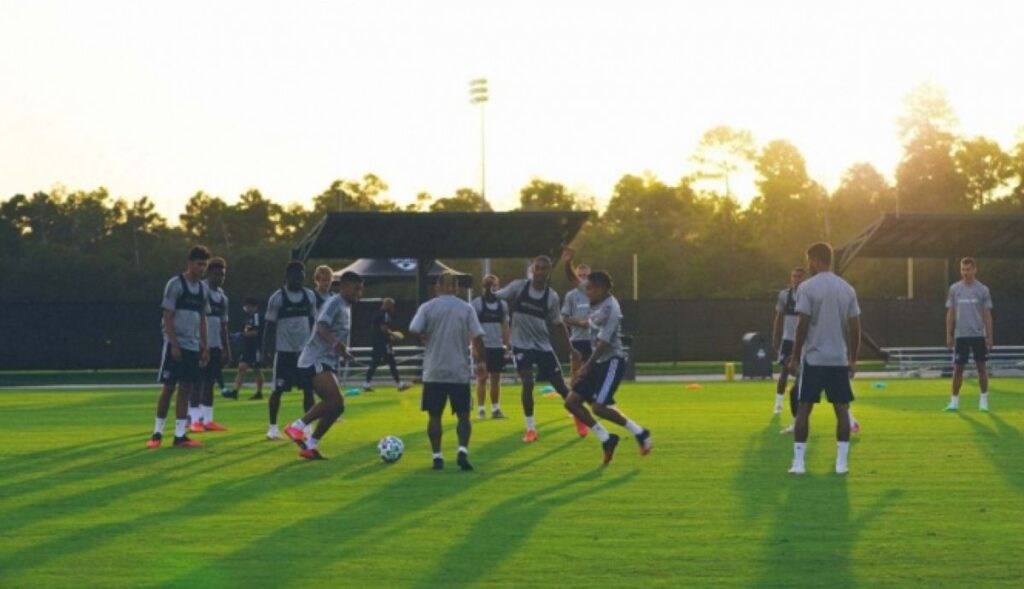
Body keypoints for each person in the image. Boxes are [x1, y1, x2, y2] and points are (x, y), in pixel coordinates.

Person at [786, 242, 861, 475]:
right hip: (838, 359)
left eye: (809, 260)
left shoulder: (807, 288)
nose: (808, 264)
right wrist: (853, 360)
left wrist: (794, 357)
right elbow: (856, 328)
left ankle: (799, 463)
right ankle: (842, 464)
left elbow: (802, 324)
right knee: (841, 410)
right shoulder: (847, 288)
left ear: (816, 260)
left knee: (804, 409)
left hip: (814, 360)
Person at [493, 255, 585, 442]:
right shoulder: (519, 287)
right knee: (528, 382)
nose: (540, 272)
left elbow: (558, 324)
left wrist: (570, 349)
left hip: (542, 345)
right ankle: (531, 429)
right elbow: (497, 296)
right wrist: (488, 292)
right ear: (533, 270)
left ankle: (579, 416)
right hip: (520, 344)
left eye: (544, 269)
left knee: (560, 386)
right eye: (538, 268)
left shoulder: (551, 296)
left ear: (549, 272)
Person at [564, 271, 652, 465]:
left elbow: (604, 342)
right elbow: (575, 281)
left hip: (611, 361)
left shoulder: (611, 308)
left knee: (599, 408)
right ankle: (607, 438)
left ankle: (640, 432)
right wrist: (568, 264)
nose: (586, 292)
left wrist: (586, 366)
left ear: (601, 289)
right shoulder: (595, 299)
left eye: (590, 288)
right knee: (571, 402)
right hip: (597, 361)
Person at [409, 272, 486, 471]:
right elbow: (477, 336)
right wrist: (481, 361)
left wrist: (425, 338)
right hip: (458, 370)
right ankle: (462, 451)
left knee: (434, 416)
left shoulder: (428, 307)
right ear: (457, 287)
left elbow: (414, 328)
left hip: (434, 370)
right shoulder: (466, 308)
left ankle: (437, 456)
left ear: (437, 287)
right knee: (463, 416)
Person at [284, 271, 364, 460]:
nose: (359, 293)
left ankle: (311, 445)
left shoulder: (346, 306)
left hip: (327, 361)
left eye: (361, 290)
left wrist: (344, 353)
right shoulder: (335, 302)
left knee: (337, 407)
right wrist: (336, 344)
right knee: (334, 401)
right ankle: (296, 427)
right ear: (344, 286)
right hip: (314, 359)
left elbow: (336, 337)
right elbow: (321, 327)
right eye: (356, 289)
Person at [148, 245, 211, 449]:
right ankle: (157, 433)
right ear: (190, 263)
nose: (202, 269)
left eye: (205, 265)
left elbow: (202, 319)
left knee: (186, 389)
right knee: (168, 388)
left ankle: (180, 435)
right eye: (199, 264)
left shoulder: (203, 289)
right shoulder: (175, 284)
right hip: (176, 345)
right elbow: (167, 316)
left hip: (193, 346)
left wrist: (205, 345)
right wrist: (173, 344)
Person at [264, 261, 318, 441]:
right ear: (288, 277)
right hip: (284, 352)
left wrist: (315, 346)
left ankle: (307, 427)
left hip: (304, 353)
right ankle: (272, 427)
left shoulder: (309, 296)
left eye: (302, 277)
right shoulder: (277, 298)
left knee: (308, 390)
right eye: (296, 277)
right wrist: (267, 351)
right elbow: (269, 326)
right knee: (277, 391)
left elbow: (313, 323)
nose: (299, 280)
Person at [944, 257, 994, 412]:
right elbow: (951, 313)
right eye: (963, 269)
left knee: (981, 368)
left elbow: (987, 314)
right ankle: (954, 402)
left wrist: (989, 336)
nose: (965, 272)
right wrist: (949, 334)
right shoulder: (954, 289)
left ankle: (984, 402)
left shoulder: (983, 290)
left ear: (974, 270)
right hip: (961, 336)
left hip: (978, 335)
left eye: (968, 269)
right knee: (958, 369)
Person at [192, 256, 231, 433]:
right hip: (200, 344)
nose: (220, 277)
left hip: (216, 345)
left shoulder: (222, 297)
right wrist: (200, 343)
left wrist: (226, 347)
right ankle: (193, 419)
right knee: (196, 382)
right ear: (208, 273)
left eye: (222, 274)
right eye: (216, 274)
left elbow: (224, 324)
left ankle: (208, 419)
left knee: (210, 382)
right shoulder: (201, 290)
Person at [471, 275, 511, 419]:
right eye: (488, 285)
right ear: (483, 287)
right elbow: (472, 328)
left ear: (498, 287)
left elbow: (505, 326)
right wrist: (475, 348)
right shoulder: (477, 303)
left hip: (497, 347)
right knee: (482, 377)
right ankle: (481, 410)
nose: (492, 288)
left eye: (494, 285)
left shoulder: (502, 305)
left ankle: (495, 409)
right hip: (482, 346)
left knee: (496, 378)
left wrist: (507, 346)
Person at [363, 298, 411, 392]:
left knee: (375, 362)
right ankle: (400, 384)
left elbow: (376, 329)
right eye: (392, 305)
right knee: (392, 362)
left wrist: (389, 336)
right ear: (387, 305)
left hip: (376, 342)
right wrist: (393, 335)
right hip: (383, 343)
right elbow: (383, 328)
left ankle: (366, 384)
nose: (393, 308)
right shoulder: (385, 314)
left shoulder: (376, 313)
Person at [561, 249, 593, 380]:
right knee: (576, 370)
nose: (583, 278)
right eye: (580, 275)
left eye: (585, 275)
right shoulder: (571, 295)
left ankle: (592, 397)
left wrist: (593, 321)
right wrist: (579, 323)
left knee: (592, 371)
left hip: (594, 339)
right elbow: (564, 317)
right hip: (578, 339)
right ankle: (572, 397)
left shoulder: (596, 293)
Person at [225, 297, 264, 400]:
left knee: (257, 370)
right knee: (241, 368)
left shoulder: (257, 317)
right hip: (248, 346)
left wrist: (241, 335)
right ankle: (235, 391)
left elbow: (255, 332)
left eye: (249, 306)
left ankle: (259, 392)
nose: (247, 308)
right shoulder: (247, 317)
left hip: (256, 347)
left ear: (254, 306)